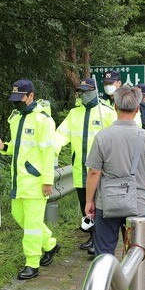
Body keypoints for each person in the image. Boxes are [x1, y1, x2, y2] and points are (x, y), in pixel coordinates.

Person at [0, 79, 60, 280]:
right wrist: (4, 147)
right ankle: (50, 244)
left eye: (20, 98)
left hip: (36, 181)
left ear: (31, 96)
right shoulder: (16, 119)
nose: (17, 102)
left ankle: (32, 262)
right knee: (18, 216)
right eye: (14, 99)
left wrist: (48, 180)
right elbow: (18, 146)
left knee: (31, 224)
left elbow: (48, 152)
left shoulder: (43, 120)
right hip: (19, 180)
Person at [84, 87, 145, 256]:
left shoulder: (102, 137)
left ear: (115, 107)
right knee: (135, 254)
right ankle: (132, 282)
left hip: (107, 204)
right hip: (139, 205)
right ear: (137, 109)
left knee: (104, 254)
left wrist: (89, 201)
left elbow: (93, 173)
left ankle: (107, 282)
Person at [54, 78, 115, 255]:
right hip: (80, 170)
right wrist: (52, 153)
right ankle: (93, 236)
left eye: (86, 91)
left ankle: (99, 240)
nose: (83, 95)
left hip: (100, 171)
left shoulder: (107, 113)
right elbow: (60, 136)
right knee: (85, 206)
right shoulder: (74, 114)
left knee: (99, 205)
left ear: (95, 91)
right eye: (81, 91)